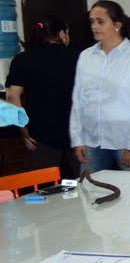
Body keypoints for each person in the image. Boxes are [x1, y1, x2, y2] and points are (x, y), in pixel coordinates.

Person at [70, 0, 130, 173]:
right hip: (92, 140)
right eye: (92, 21)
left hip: (126, 141)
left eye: (100, 21)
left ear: (117, 25)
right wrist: (77, 139)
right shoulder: (86, 56)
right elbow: (78, 100)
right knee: (90, 192)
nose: (94, 26)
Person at [5, 15, 81, 179]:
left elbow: (12, 96)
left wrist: (24, 131)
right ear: (61, 34)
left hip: (41, 136)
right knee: (85, 187)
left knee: (44, 191)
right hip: (78, 135)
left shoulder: (22, 59)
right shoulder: (79, 56)